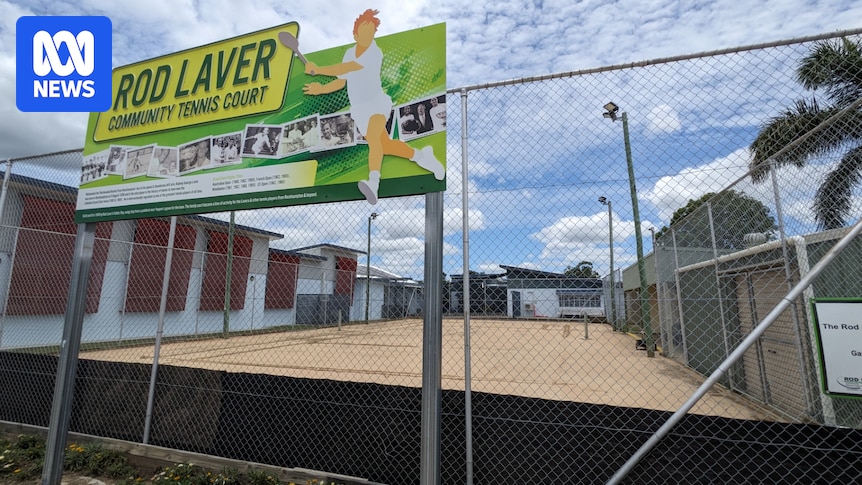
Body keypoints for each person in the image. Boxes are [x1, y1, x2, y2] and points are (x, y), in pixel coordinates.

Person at [301, 9, 444, 205]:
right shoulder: (349, 52)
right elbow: (341, 81)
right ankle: (421, 156)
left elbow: (348, 68)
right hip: (359, 110)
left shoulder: (374, 53)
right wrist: (320, 89)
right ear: (355, 34)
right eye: (364, 31)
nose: (368, 35)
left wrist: (318, 69)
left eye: (371, 32)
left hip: (377, 103)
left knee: (375, 140)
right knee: (384, 146)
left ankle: (373, 184)